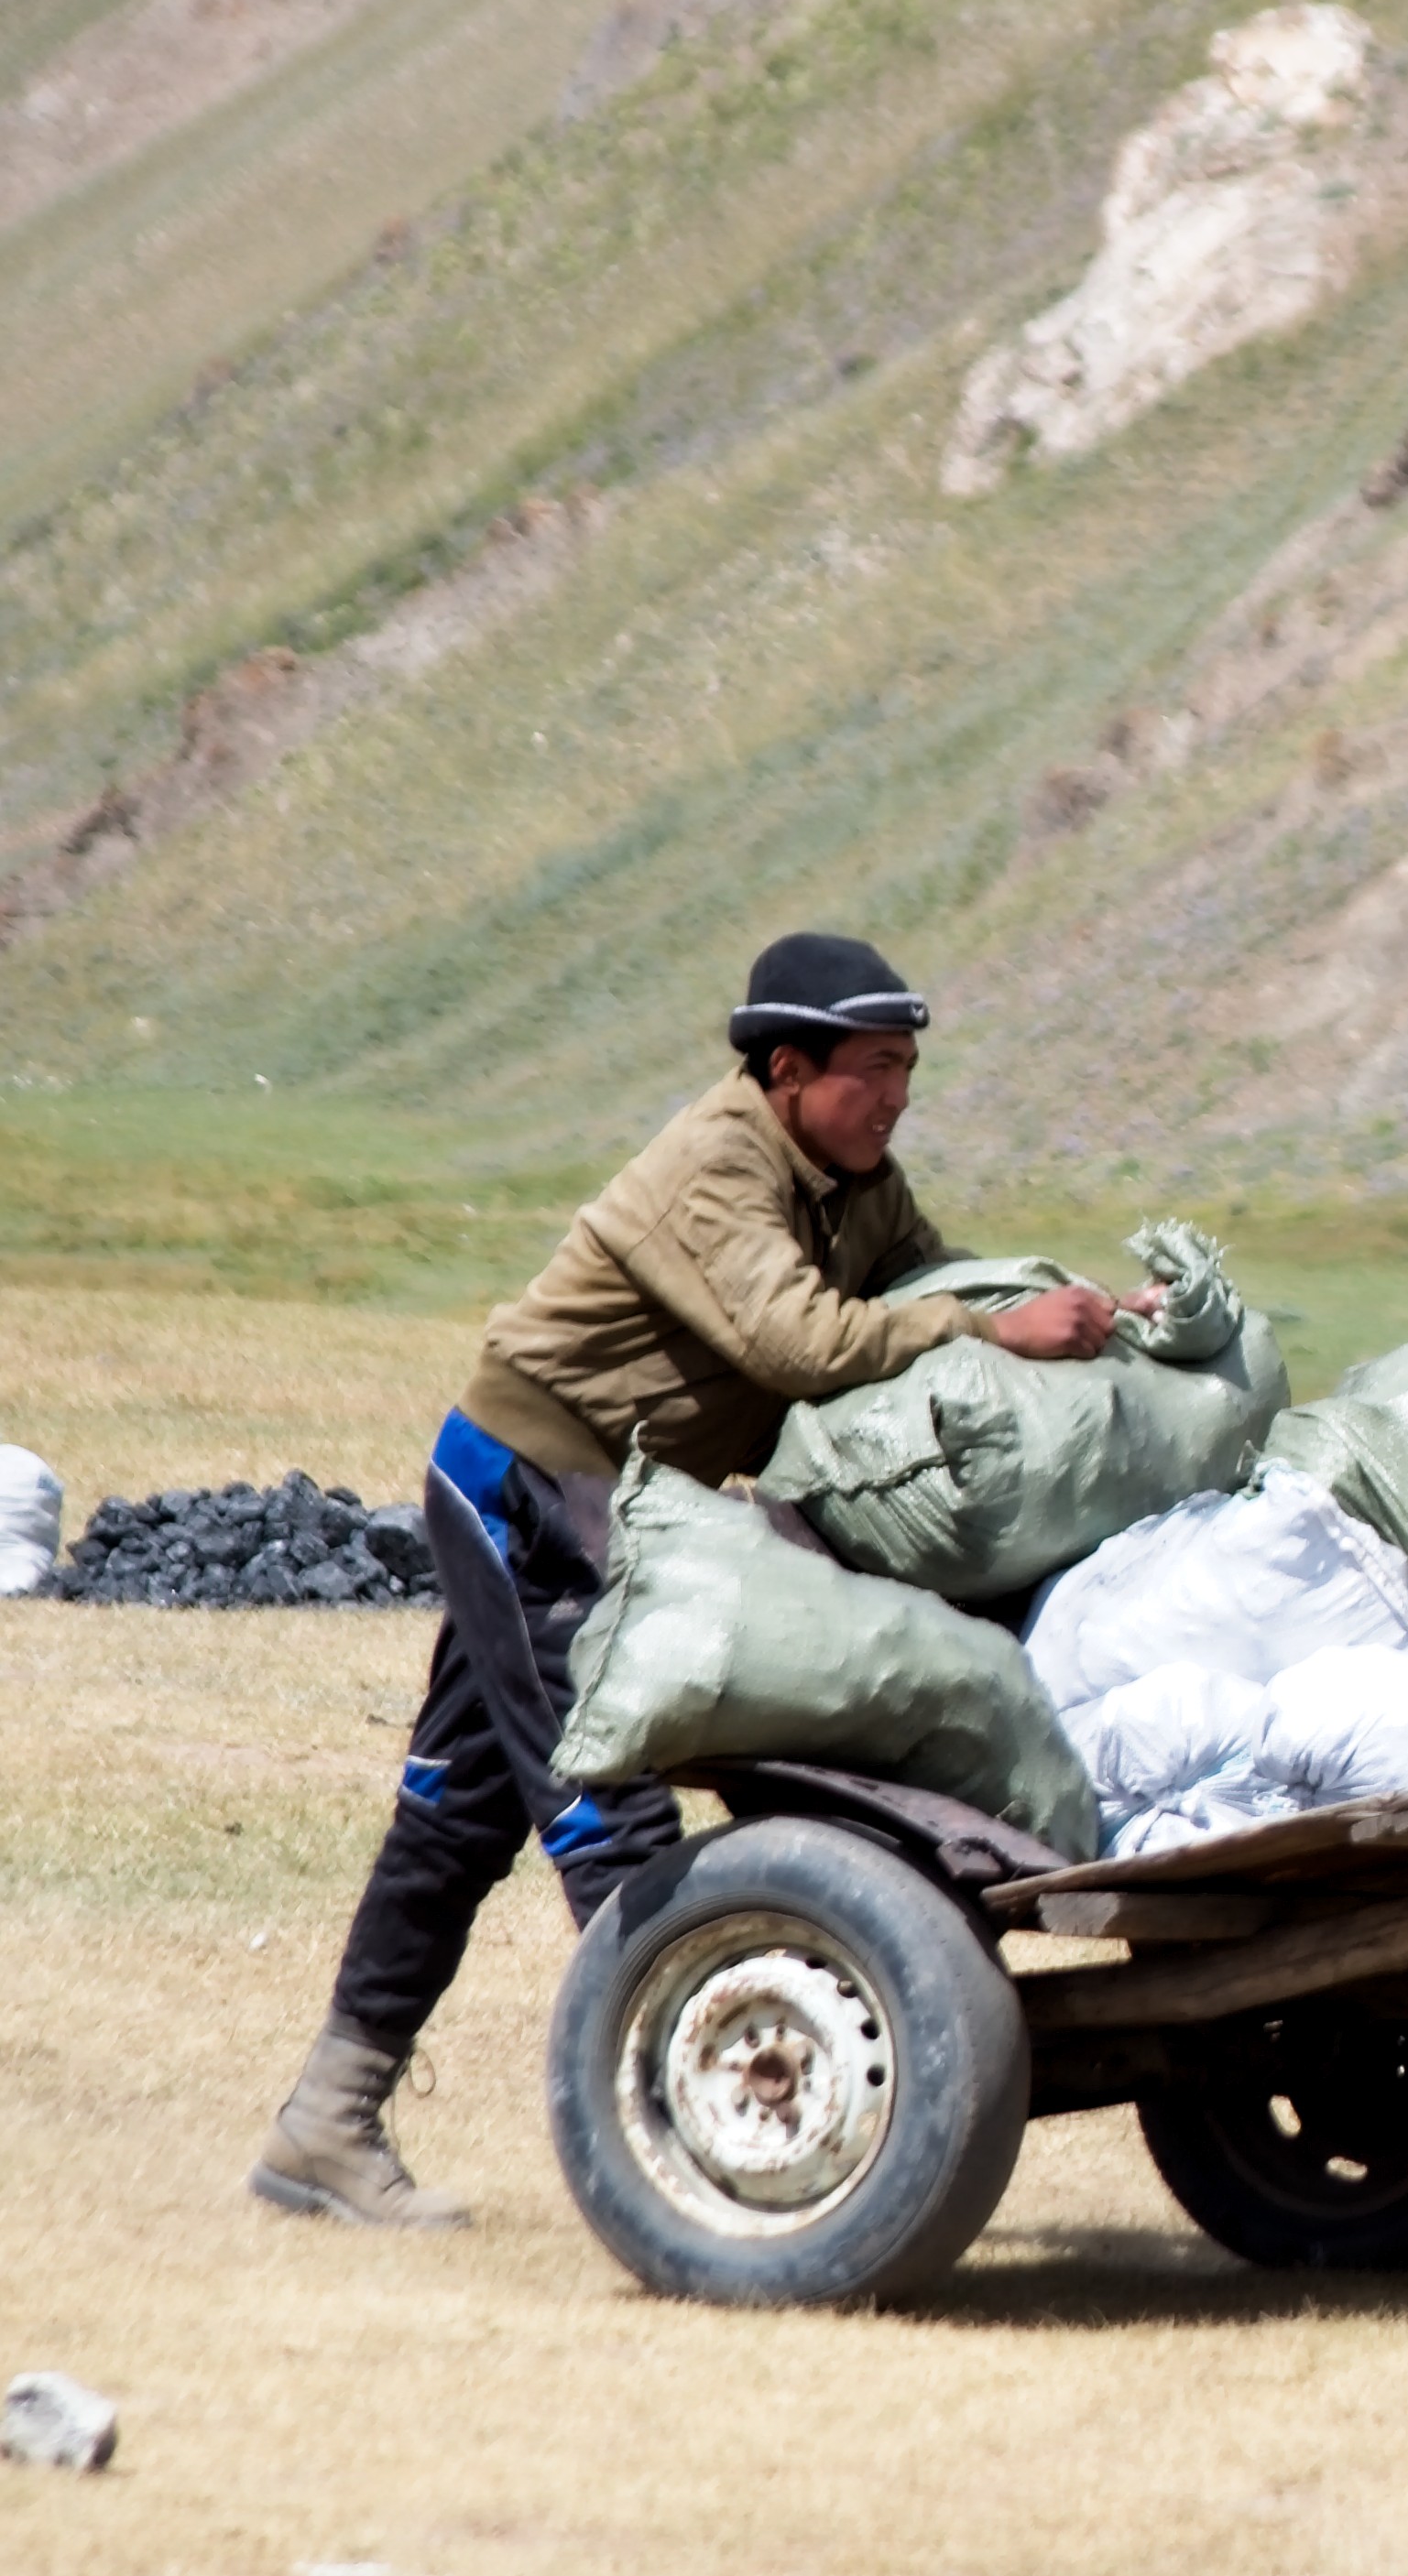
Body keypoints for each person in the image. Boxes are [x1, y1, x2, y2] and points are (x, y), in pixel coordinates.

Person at [249, 935, 1132, 2227]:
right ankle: (701, 2168)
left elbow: (931, 1287)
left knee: (455, 1811)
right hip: (526, 1486)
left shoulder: (858, 1179)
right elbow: (799, 1339)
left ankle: (323, 2123)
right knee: (613, 1815)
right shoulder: (721, 1159)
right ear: (787, 1071)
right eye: (870, 1070)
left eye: (906, 1070)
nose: (894, 1097)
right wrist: (988, 1329)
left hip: (623, 1507)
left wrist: (1085, 1316)